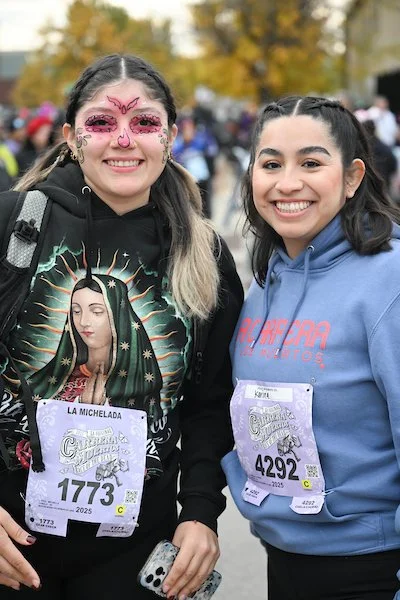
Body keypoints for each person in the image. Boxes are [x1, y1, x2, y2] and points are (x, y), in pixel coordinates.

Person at [0, 53, 243, 599]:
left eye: (145, 122)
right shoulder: (11, 225)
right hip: (11, 544)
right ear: (71, 137)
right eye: (102, 122)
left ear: (171, 136)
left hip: (136, 550)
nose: (124, 139)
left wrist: (200, 511)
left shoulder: (203, 253)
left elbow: (210, 401)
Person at [222, 95, 400, 599]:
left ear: (352, 177)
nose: (287, 183)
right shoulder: (265, 282)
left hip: (373, 569)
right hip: (285, 561)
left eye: (311, 163)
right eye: (271, 164)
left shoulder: (390, 278)